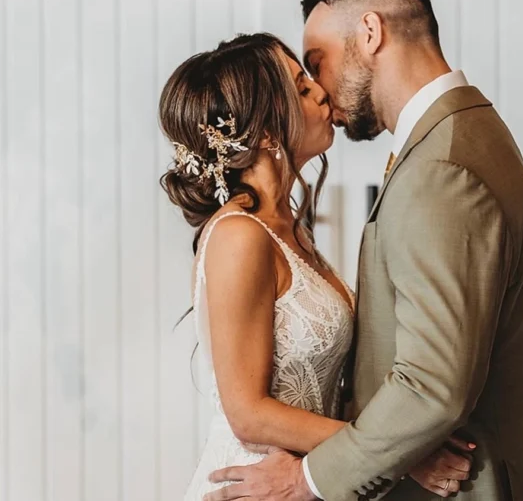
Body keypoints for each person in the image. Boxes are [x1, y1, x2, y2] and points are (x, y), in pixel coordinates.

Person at [206, 0, 523, 501]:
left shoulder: (442, 169)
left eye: (315, 64)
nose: (317, 89)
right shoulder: (459, 140)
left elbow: (431, 387)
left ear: (370, 33)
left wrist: (308, 478)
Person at [158, 33, 473, 501]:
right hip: (253, 487)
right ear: (265, 132)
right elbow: (248, 412)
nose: (321, 92)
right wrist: (397, 453)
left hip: (302, 482)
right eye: (302, 89)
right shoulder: (239, 237)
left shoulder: (290, 230)